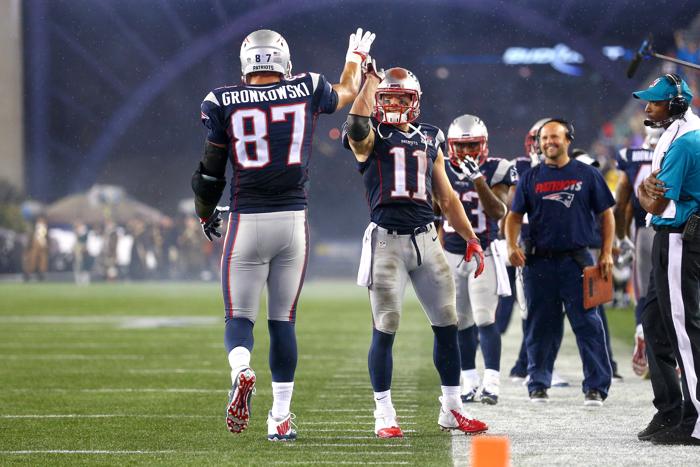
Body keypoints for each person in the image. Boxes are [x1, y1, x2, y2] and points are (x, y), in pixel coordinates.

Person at [193, 27, 375, 441]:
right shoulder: (306, 87)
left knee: (239, 318)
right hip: (293, 222)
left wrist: (205, 215)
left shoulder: (221, 100)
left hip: (245, 221)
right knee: (283, 322)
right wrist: (355, 55)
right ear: (282, 61)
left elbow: (208, 174)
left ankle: (241, 369)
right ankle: (280, 417)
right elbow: (347, 90)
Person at [343, 63, 488, 437]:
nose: (391, 103)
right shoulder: (370, 133)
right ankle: (384, 414)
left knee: (447, 325)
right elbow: (356, 128)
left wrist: (470, 237)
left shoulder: (431, 137)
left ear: (415, 102)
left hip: (428, 239)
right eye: (385, 97)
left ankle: (452, 409)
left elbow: (447, 195)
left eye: (398, 97)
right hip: (386, 241)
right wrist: (368, 84)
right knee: (385, 327)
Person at [505, 119, 615, 406]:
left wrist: (606, 252)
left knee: (589, 326)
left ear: (568, 139)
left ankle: (596, 386)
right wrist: (511, 245)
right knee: (541, 327)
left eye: (554, 137)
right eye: (543, 138)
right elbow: (514, 216)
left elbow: (607, 214)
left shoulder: (587, 174)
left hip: (577, 261)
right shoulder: (530, 177)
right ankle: (538, 383)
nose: (548, 142)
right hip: (538, 262)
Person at [633, 73, 700, 446]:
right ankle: (670, 408)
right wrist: (647, 191)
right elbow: (651, 192)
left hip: (679, 238)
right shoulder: (678, 131)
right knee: (655, 323)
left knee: (684, 330)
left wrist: (645, 192)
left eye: (655, 102)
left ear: (674, 104)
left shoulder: (687, 142)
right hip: (669, 236)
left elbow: (655, 200)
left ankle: (697, 416)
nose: (647, 107)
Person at [438, 114, 517, 405]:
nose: (467, 152)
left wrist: (477, 179)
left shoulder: (498, 168)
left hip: (483, 251)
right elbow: (436, 211)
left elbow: (498, 212)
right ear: (451, 146)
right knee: (460, 321)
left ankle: (492, 381)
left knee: (485, 317)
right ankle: (469, 381)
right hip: (452, 254)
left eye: (473, 146)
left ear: (483, 145)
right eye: (462, 146)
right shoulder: (441, 167)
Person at [614, 126, 663, 378]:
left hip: (644, 230)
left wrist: (622, 238)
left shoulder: (631, 156)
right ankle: (673, 353)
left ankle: (643, 331)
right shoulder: (683, 149)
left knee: (643, 293)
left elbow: (621, 203)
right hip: (679, 230)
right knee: (679, 295)